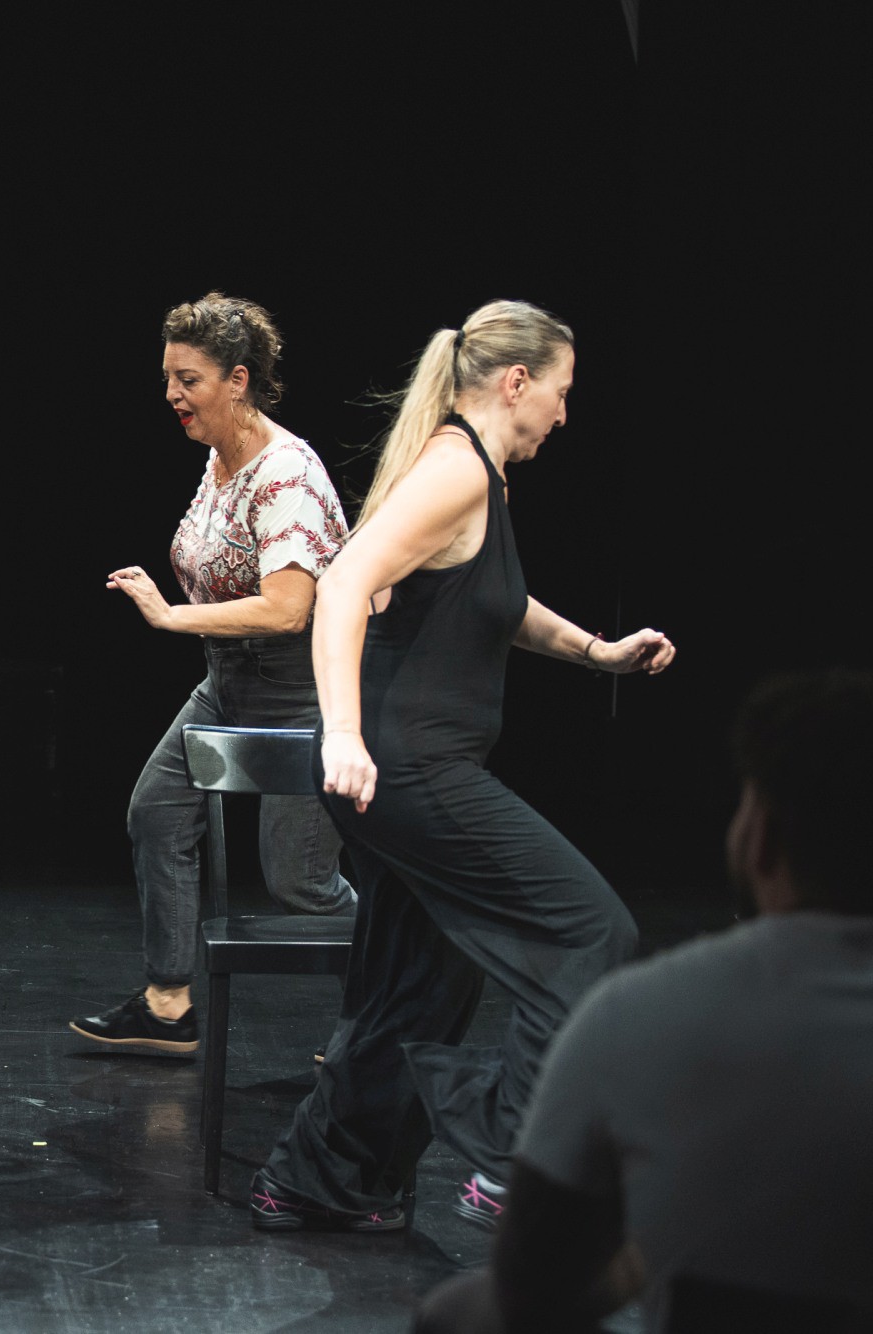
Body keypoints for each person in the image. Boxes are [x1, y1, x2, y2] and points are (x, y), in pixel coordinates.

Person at [251, 300, 675, 1234]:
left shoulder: (476, 477)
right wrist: (342, 732)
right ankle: (521, 1160)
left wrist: (597, 652)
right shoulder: (456, 470)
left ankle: (320, 1179)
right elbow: (343, 585)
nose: (564, 414)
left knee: (420, 983)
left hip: (404, 768)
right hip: (404, 767)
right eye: (561, 391)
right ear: (517, 382)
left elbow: (497, 605)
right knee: (589, 932)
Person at [415, 670, 873, 1333]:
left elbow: (530, 1288)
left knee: (457, 1312)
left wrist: (652, 1249)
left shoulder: (639, 1012)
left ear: (761, 839)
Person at [71, 293, 356, 1057]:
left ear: (238, 379)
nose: (172, 393)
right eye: (168, 377)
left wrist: (171, 617)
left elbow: (288, 608)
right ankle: (168, 1005)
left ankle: (390, 1011)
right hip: (227, 679)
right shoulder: (220, 458)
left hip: (301, 690)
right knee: (158, 815)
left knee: (300, 881)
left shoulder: (286, 473)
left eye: (188, 379)